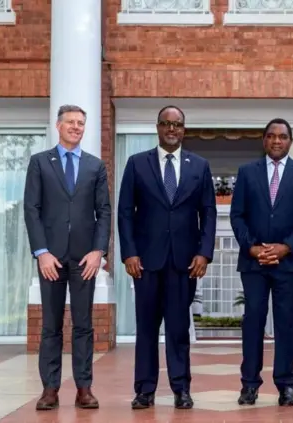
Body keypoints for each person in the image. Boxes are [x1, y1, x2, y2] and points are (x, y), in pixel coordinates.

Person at [117, 105, 217, 410]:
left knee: (177, 329)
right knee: (146, 328)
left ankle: (181, 388)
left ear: (184, 129)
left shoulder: (199, 166)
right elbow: (125, 213)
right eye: (166, 124)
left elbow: (208, 213)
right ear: (157, 127)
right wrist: (129, 253)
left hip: (184, 263)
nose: (172, 129)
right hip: (145, 262)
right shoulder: (137, 164)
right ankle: (144, 390)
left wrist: (204, 253)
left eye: (177, 125)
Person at [24, 104, 111, 411]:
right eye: (71, 122)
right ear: (58, 126)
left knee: (84, 324)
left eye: (81, 123)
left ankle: (84, 388)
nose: (76, 127)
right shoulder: (39, 163)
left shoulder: (95, 166)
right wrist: (41, 252)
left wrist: (98, 251)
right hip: (51, 257)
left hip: (84, 258)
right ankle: (50, 389)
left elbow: (103, 211)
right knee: (50, 325)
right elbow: (31, 209)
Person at [230, 118, 293, 407]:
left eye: (282, 136)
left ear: (290, 141)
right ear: (264, 140)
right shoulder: (246, 172)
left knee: (286, 325)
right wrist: (253, 248)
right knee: (253, 322)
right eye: (271, 136)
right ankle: (249, 385)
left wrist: (286, 247)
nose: (276, 141)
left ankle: (286, 385)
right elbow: (237, 215)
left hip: (289, 263)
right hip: (254, 263)